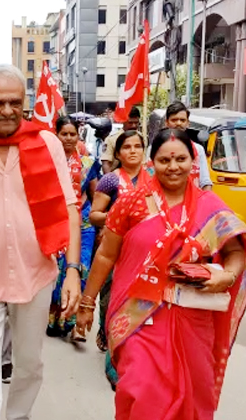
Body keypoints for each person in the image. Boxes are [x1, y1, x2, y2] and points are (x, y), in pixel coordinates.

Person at [76, 129, 246, 420]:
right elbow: (106, 254)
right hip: (138, 316)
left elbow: (237, 251)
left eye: (180, 159)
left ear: (192, 162)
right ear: (153, 162)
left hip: (193, 320)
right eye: (164, 160)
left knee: (190, 396)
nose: (173, 166)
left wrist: (226, 276)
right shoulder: (131, 202)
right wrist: (87, 302)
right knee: (141, 389)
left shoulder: (209, 206)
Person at [0, 64, 82, 420]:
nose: (7, 110)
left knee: (29, 365)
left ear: (25, 102)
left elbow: (69, 206)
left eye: (14, 102)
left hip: (35, 274)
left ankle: (18, 416)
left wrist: (72, 271)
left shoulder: (47, 144)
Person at [89, 130, 150, 387]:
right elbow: (94, 215)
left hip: (146, 252)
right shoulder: (110, 182)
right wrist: (120, 214)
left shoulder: (155, 179)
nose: (133, 151)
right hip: (113, 249)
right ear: (118, 153)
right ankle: (112, 352)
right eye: (127, 147)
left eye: (138, 146)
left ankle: (136, 353)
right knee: (112, 300)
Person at [47, 117, 98, 341]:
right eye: (64, 134)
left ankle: (73, 321)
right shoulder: (47, 162)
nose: (68, 138)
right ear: (56, 135)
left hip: (83, 223)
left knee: (80, 269)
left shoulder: (88, 164)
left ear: (78, 136)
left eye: (72, 134)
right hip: (55, 221)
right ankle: (53, 319)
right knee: (57, 273)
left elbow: (96, 196)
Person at [162, 101, 213, 190]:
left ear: (188, 123)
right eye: (174, 120)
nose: (178, 123)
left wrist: (207, 200)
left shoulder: (198, 149)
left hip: (193, 201)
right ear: (166, 123)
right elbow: (150, 179)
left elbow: (205, 182)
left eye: (182, 120)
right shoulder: (157, 148)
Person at [101, 107, 141, 173]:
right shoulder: (111, 139)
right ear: (123, 121)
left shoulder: (141, 138)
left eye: (136, 123)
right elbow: (106, 164)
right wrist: (109, 180)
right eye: (130, 123)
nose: (134, 126)